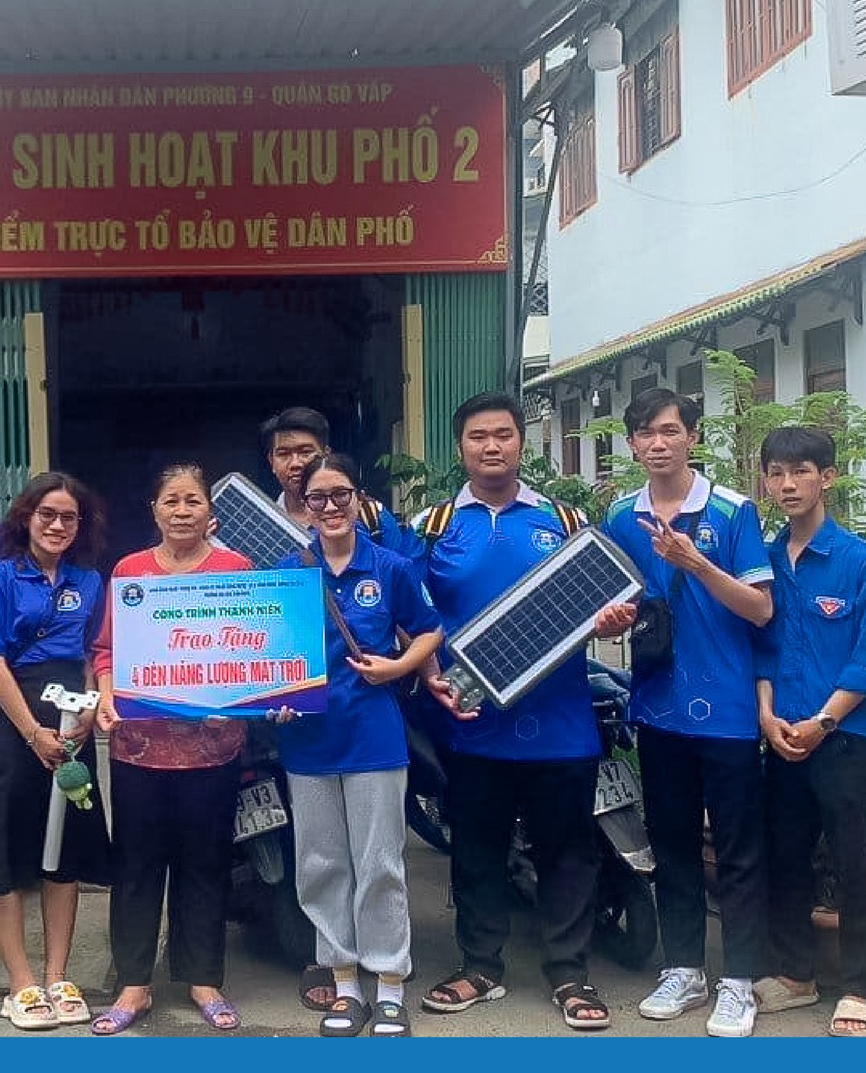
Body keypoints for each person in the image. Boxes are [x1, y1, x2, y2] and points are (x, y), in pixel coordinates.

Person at [415, 393, 613, 1030]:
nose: (491, 446)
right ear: (460, 447)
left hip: (561, 723)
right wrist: (429, 673)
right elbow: (409, 616)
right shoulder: (433, 525)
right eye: (478, 436)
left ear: (523, 442)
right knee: (476, 848)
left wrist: (615, 617)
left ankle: (570, 973)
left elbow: (605, 596)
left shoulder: (568, 519)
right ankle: (479, 965)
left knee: (567, 851)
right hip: (471, 723)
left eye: (503, 434)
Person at [594, 387, 774, 1037]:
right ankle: (684, 971)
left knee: (737, 851)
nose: (658, 443)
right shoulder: (620, 516)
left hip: (726, 709)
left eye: (670, 430)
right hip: (658, 706)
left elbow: (760, 609)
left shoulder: (732, 511)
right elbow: (612, 603)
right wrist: (610, 617)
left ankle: (739, 982)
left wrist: (694, 562)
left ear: (692, 436)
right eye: (645, 433)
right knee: (669, 845)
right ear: (633, 443)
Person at [276, 453, 444, 1038]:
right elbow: (269, 655)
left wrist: (399, 667)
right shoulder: (288, 573)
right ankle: (345, 987)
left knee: (380, 864)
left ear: (358, 497)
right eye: (317, 498)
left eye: (339, 494)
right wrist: (272, 699)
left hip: (374, 734)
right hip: (307, 739)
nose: (329, 507)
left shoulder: (391, 566)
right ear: (304, 506)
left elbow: (429, 628)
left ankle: (390, 986)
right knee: (321, 865)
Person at [88, 463, 254, 1035]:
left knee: (204, 864)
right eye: (171, 500)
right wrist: (107, 697)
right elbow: (106, 650)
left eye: (192, 500)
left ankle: (204, 978)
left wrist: (270, 692)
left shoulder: (237, 570)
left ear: (211, 511)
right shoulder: (130, 572)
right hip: (138, 748)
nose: (182, 510)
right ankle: (134, 985)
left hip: (214, 748)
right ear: (154, 511)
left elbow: (254, 649)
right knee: (135, 867)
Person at [750, 426, 866, 1038]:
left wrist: (823, 720)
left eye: (801, 472)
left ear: (827, 477)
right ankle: (795, 974)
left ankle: (861, 986)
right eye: (776, 474)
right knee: (785, 854)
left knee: (853, 856)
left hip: (843, 737)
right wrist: (766, 715)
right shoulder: (762, 560)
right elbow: (760, 645)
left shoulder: (862, 561)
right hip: (780, 734)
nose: (787, 485)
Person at [0, 472, 112, 1030]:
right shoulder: (2, 578)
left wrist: (86, 716)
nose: (57, 525)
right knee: (4, 848)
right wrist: (33, 732)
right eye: (46, 514)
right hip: (14, 721)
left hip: (72, 720)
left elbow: (91, 654)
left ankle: (58, 973)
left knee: (65, 852)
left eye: (68, 517)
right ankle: (21, 982)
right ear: (26, 517)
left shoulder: (91, 582)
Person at [261, 406, 420, 561]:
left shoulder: (372, 518)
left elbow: (400, 577)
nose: (295, 463)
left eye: (305, 452)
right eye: (284, 454)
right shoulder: (260, 522)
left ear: (326, 455)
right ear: (271, 461)